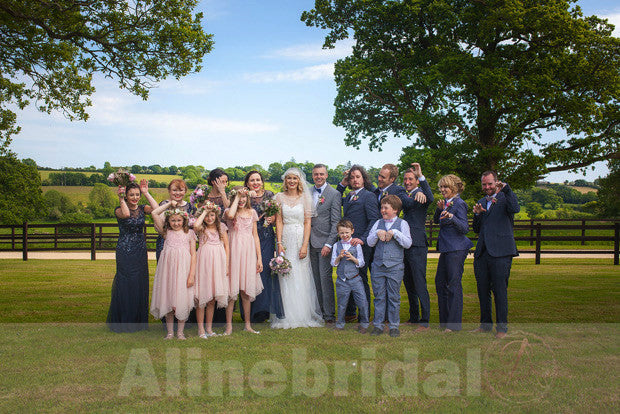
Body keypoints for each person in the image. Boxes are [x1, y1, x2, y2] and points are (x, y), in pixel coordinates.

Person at [271, 168, 324, 329]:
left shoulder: (304, 198)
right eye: (289, 178)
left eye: (295, 178)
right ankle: (284, 313)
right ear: (285, 181)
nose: (292, 181)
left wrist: (304, 245)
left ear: (299, 181)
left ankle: (302, 313)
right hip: (285, 237)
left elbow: (308, 222)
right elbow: (279, 221)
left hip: (301, 237)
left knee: (301, 274)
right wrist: (279, 243)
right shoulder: (278, 197)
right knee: (285, 273)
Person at [472, 171, 520, 339]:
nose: (487, 187)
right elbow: (477, 229)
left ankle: (501, 329)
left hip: (501, 252)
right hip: (483, 253)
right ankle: (485, 325)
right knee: (482, 291)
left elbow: (515, 209)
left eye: (490, 184)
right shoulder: (481, 202)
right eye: (484, 184)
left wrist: (507, 190)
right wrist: (477, 214)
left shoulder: (506, 198)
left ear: (496, 182)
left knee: (500, 291)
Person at [106, 180, 159, 333]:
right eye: (132, 195)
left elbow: (157, 209)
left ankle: (138, 321)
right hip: (125, 249)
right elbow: (127, 214)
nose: (135, 197)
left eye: (137, 195)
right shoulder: (118, 209)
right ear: (127, 196)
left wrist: (146, 193)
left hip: (140, 250)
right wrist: (121, 198)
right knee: (126, 282)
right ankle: (124, 320)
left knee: (139, 282)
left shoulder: (143, 208)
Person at [337, 165, 380, 322]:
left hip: (361, 244)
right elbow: (336, 196)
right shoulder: (348, 197)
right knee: (347, 277)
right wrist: (342, 182)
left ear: (364, 179)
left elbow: (374, 219)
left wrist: (363, 238)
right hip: (347, 244)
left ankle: (364, 316)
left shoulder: (368, 196)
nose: (354, 180)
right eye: (352, 177)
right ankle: (350, 313)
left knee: (360, 280)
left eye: (357, 177)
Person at [241, 170, 284, 323]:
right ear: (247, 183)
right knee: (248, 272)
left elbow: (278, 216)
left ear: (262, 182)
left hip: (266, 237)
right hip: (247, 238)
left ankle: (262, 311)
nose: (255, 183)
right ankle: (248, 311)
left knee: (264, 272)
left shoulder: (270, 195)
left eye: (258, 180)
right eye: (252, 180)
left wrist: (272, 217)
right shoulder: (244, 197)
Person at [150, 201, 197, 340]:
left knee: (182, 299)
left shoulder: (190, 233)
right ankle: (170, 332)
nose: (176, 223)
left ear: (184, 220)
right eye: (173, 220)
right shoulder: (166, 233)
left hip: (183, 271)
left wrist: (191, 275)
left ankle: (180, 332)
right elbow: (154, 213)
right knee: (168, 298)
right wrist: (170, 204)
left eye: (179, 220)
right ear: (168, 221)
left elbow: (193, 255)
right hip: (168, 272)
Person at [367, 195, 412, 337]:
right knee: (379, 296)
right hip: (378, 266)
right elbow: (369, 242)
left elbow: (408, 243)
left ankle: (393, 326)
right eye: (382, 207)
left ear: (395, 210)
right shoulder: (377, 223)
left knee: (393, 297)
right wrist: (376, 233)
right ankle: (378, 325)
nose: (382, 210)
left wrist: (395, 233)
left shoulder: (402, 224)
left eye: (386, 208)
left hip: (395, 266)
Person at [433, 174, 473, 332]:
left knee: (453, 285)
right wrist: (440, 209)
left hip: (456, 248)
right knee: (440, 283)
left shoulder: (459, 204)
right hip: (446, 248)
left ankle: (454, 324)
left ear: (454, 188)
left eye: (446, 187)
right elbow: (437, 221)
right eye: (441, 187)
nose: (442, 190)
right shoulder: (447, 203)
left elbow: (465, 228)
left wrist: (451, 216)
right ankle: (444, 322)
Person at [224, 186, 264, 335]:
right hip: (234, 251)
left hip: (248, 252)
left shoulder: (252, 212)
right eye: (238, 197)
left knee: (246, 291)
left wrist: (259, 258)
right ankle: (229, 326)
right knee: (232, 291)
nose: (241, 200)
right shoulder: (229, 212)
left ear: (248, 198)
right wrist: (235, 199)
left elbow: (255, 236)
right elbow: (231, 215)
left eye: (243, 197)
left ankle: (248, 324)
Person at [401, 163, 434, 332]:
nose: (407, 182)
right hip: (404, 245)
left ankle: (425, 320)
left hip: (418, 245)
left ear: (416, 181)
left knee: (419, 282)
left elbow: (431, 198)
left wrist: (422, 178)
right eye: (405, 179)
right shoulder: (407, 196)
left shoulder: (421, 196)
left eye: (411, 179)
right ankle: (413, 317)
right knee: (408, 282)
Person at [309, 164, 341, 324]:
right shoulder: (307, 192)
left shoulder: (334, 194)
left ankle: (329, 315)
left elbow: (336, 222)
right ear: (312, 175)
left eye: (321, 174)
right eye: (316, 174)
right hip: (309, 243)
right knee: (314, 280)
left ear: (326, 175)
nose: (318, 177)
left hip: (324, 244)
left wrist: (329, 244)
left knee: (325, 279)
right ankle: (319, 313)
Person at [193, 202, 230, 338]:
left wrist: (226, 265)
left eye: (212, 215)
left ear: (216, 215)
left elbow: (226, 246)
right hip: (204, 263)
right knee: (203, 296)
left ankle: (209, 328)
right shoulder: (201, 227)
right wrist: (204, 211)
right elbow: (195, 226)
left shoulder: (222, 228)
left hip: (218, 262)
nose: (209, 218)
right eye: (207, 216)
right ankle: (201, 329)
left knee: (212, 298)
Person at [331, 219, 369, 333]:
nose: (344, 235)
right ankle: (340, 324)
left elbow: (361, 263)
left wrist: (353, 258)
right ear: (338, 233)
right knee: (342, 304)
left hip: (355, 279)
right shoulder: (336, 245)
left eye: (347, 232)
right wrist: (339, 257)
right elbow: (333, 263)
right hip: (342, 280)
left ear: (352, 231)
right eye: (342, 233)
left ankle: (364, 324)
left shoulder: (356, 245)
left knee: (362, 302)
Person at [155, 179, 192, 261]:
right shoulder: (164, 204)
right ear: (169, 191)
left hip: (183, 244)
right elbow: (158, 226)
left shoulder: (189, 206)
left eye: (181, 190)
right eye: (174, 190)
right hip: (165, 243)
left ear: (185, 191)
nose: (178, 193)